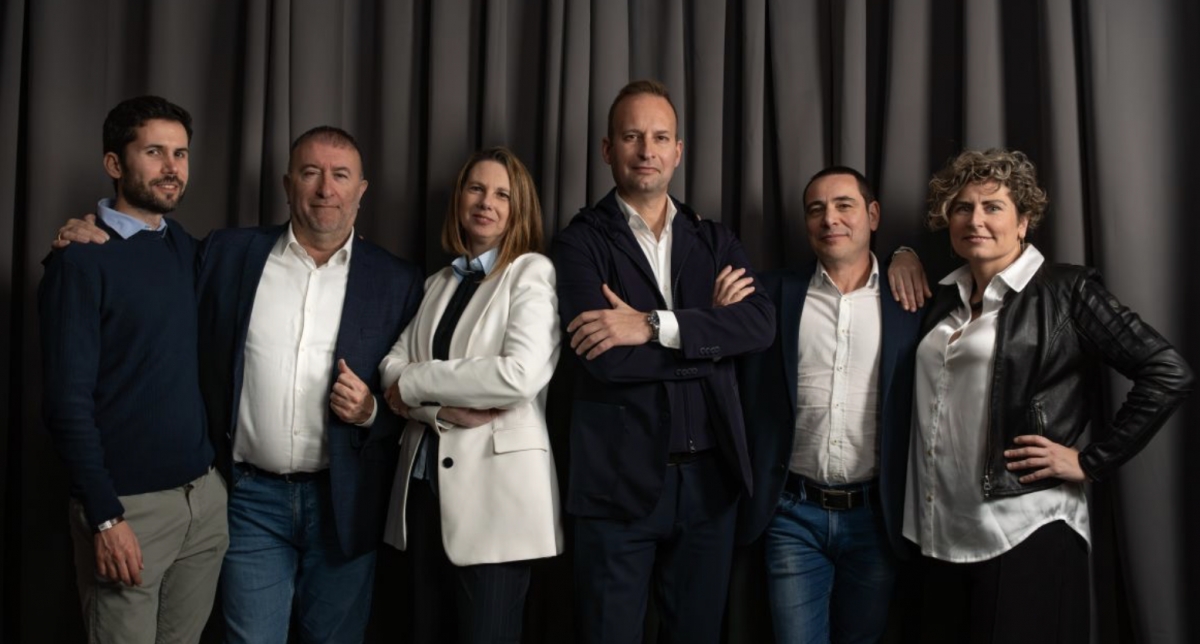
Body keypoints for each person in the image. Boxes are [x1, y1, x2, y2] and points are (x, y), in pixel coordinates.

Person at [55, 125, 424, 643]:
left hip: (344, 505)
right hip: (249, 502)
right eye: (311, 173)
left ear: (361, 190)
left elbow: (414, 399)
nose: (326, 189)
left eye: (341, 176)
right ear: (287, 184)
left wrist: (370, 414)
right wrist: (88, 237)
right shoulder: (227, 254)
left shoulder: (399, 281)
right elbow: (147, 250)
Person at [904, 148, 1193, 642]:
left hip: (1025, 529)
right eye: (962, 207)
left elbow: (1167, 371)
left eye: (993, 206)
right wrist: (899, 254)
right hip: (937, 534)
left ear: (1023, 222)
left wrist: (1091, 462)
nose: (975, 219)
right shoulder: (943, 299)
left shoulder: (1066, 291)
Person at [551, 79, 776, 644]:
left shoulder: (715, 239)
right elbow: (605, 360)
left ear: (678, 151)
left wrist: (652, 325)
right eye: (632, 137)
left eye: (659, 137)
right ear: (608, 150)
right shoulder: (578, 244)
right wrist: (711, 340)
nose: (646, 150)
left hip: (710, 486)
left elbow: (758, 326)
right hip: (614, 488)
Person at [39, 95, 228, 643]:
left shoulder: (184, 250)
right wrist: (105, 516)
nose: (172, 167)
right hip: (128, 511)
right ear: (114, 163)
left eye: (181, 154)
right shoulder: (80, 262)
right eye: (154, 152)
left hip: (203, 503)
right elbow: (66, 403)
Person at [377, 147, 562, 643]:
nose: (486, 202)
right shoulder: (437, 282)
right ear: (460, 198)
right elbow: (389, 365)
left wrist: (415, 384)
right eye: (477, 189)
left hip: (497, 502)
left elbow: (517, 376)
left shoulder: (531, 272)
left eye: (503, 194)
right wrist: (437, 408)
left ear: (519, 209)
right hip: (422, 491)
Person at [735, 167, 922, 643]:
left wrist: (905, 253)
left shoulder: (912, 300)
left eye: (844, 206)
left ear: (873, 215)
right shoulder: (769, 294)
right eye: (815, 209)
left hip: (876, 518)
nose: (829, 219)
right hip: (792, 515)